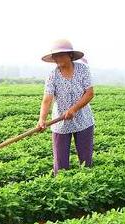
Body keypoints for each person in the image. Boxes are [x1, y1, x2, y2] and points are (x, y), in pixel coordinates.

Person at [37, 39, 95, 175]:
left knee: (86, 161)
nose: (57, 58)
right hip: (60, 123)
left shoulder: (82, 69)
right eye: (55, 56)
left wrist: (74, 109)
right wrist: (42, 119)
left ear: (70, 55)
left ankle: (86, 182)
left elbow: (90, 93)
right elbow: (47, 99)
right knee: (60, 163)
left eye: (61, 55)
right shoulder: (53, 75)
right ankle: (61, 184)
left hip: (83, 120)